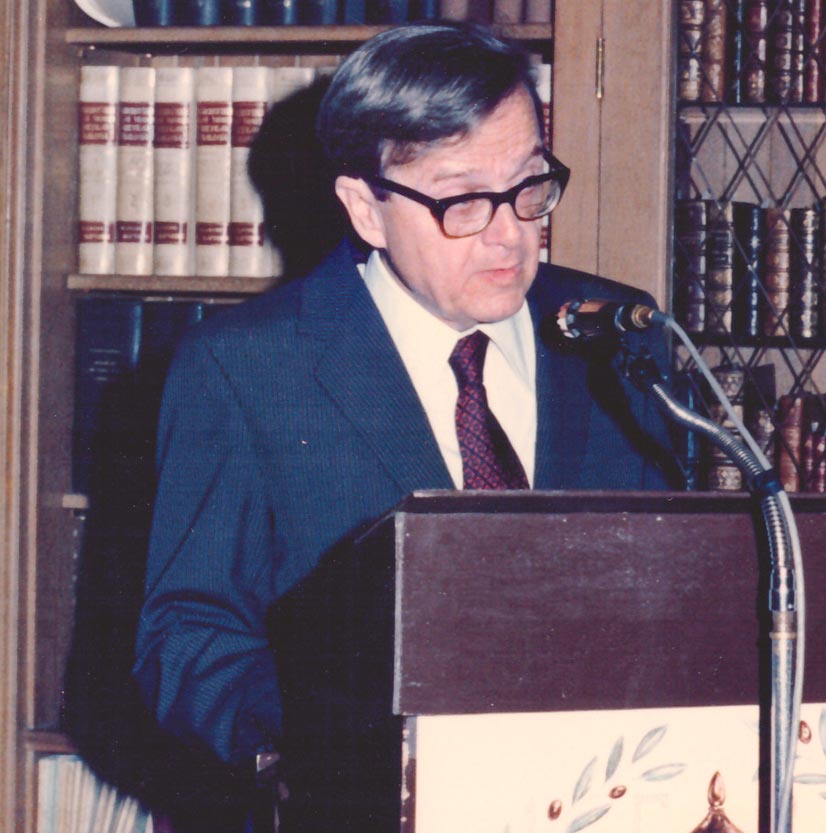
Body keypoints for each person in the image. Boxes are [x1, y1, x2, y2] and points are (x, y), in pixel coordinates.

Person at [133, 21, 677, 827]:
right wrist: (323, 749)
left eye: (530, 186)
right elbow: (185, 633)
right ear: (367, 209)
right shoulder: (245, 370)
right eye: (461, 200)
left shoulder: (613, 332)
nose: (508, 231)